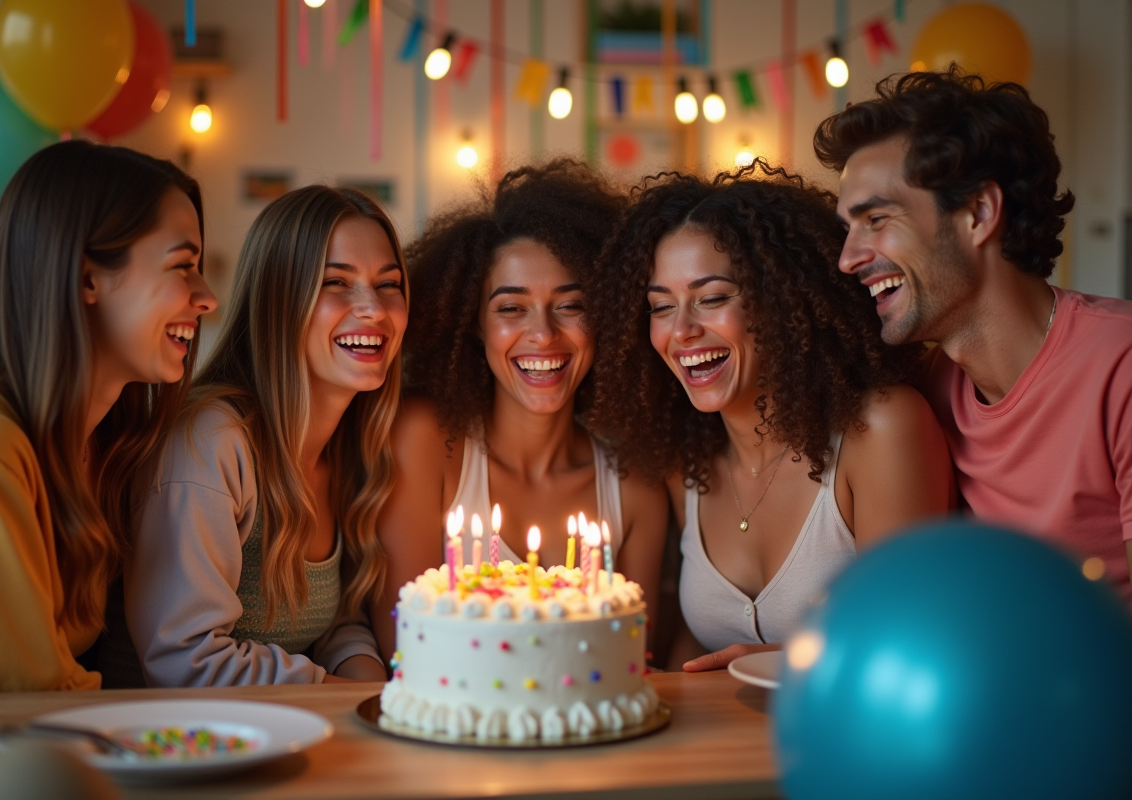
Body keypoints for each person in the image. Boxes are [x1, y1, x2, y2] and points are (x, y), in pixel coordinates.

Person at [587, 164, 954, 673]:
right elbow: (700, 649)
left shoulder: (880, 428)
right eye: (661, 307)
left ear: (784, 301)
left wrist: (776, 662)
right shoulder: (685, 464)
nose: (682, 330)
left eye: (713, 299)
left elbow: (905, 640)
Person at [0, 141, 217, 785]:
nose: (207, 298)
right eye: (183, 267)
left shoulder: (104, 443)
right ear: (88, 278)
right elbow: (23, 714)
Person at [816, 67, 1132, 604]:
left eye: (877, 219)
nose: (848, 259)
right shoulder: (926, 393)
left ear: (979, 214)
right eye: (848, 229)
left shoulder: (1119, 366)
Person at [372, 160, 669, 663]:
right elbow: (406, 646)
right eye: (511, 308)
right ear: (473, 323)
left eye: (571, 306)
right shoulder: (423, 441)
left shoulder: (636, 490)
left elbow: (632, 663)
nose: (544, 335)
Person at [114, 186, 403, 687]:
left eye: (389, 284)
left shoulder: (351, 446)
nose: (374, 308)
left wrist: (374, 688)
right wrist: (356, 702)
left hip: (287, 728)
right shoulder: (211, 440)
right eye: (336, 282)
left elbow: (334, 623)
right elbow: (186, 663)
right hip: (165, 732)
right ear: (277, 299)